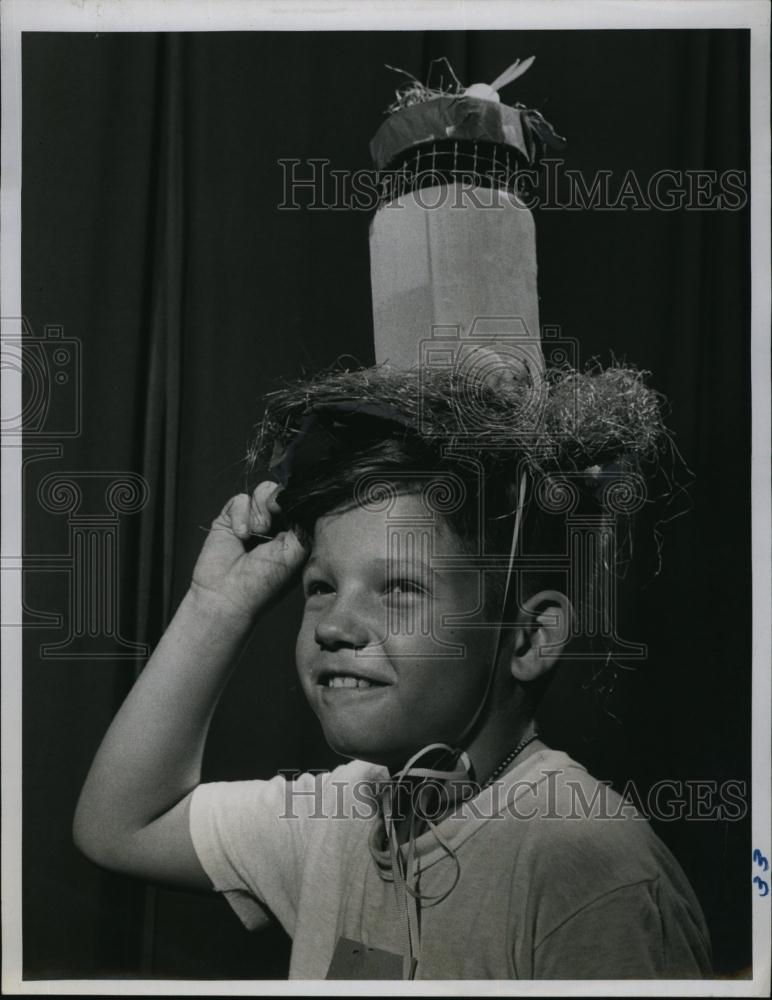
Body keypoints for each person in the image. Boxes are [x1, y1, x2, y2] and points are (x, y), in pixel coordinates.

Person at [73, 363, 712, 980]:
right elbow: (119, 828)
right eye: (321, 586)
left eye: (399, 588)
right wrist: (218, 606)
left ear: (527, 636)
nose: (333, 625)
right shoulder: (337, 815)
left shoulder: (589, 872)